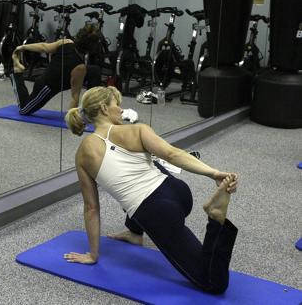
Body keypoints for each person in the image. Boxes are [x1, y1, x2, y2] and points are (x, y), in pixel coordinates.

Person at [63, 86, 239, 294]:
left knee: (212, 282)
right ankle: (135, 233)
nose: (121, 109)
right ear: (103, 108)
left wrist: (93, 254)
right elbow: (172, 154)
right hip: (178, 192)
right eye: (116, 105)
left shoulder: (82, 154)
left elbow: (91, 207)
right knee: (145, 166)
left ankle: (216, 217)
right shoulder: (137, 129)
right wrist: (213, 173)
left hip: (159, 213)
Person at [10, 24, 100, 115]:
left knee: (94, 71)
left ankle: (92, 107)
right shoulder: (80, 68)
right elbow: (74, 97)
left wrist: (23, 47)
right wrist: (72, 121)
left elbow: (44, 47)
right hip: (46, 87)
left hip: (64, 76)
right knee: (23, 110)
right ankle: (17, 72)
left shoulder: (67, 42)